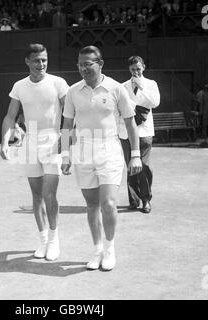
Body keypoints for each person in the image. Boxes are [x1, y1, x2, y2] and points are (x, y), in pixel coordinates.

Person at [61, 46, 142, 271]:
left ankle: (109, 249)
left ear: (100, 64)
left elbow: (129, 122)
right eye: (80, 64)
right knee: (91, 205)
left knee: (108, 203)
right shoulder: (72, 91)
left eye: (88, 64)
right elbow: (67, 125)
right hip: (83, 150)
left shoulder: (116, 88)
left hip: (110, 148)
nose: (84, 68)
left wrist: (135, 155)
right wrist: (66, 154)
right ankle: (96, 250)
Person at [0, 43, 69, 261]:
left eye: (44, 60)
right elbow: (10, 117)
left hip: (53, 140)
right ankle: (42, 240)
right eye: (37, 60)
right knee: (36, 196)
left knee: (50, 195)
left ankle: (54, 240)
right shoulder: (19, 86)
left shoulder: (58, 83)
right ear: (27, 62)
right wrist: (4, 141)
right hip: (30, 142)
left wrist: (66, 146)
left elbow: (70, 116)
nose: (41, 64)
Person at [118, 55, 160, 214]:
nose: (136, 72)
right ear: (129, 69)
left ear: (143, 67)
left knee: (144, 166)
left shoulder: (151, 84)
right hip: (126, 132)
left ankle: (146, 200)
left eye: (138, 69)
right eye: (133, 69)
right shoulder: (122, 86)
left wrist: (141, 86)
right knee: (130, 167)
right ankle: (134, 200)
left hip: (145, 131)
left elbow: (155, 103)